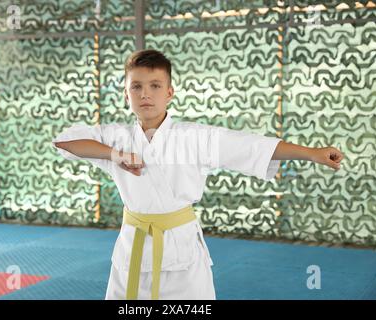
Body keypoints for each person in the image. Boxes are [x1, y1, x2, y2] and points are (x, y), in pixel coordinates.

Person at [52, 49, 344, 300]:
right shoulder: (115, 137)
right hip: (134, 249)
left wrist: (311, 152)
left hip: (183, 252)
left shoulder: (194, 136)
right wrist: (115, 155)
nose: (145, 94)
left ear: (169, 92)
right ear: (126, 93)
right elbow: (65, 142)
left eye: (155, 85)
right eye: (136, 87)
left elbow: (252, 145)